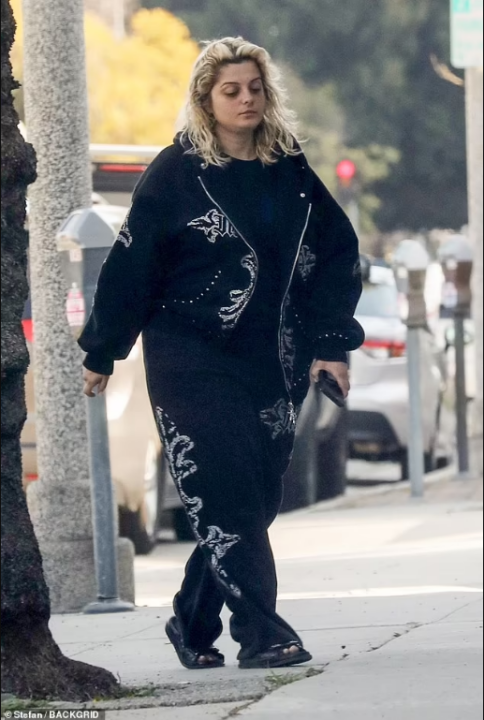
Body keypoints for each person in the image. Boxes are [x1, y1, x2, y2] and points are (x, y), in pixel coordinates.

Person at [79, 37, 365, 671]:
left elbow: (337, 254)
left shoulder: (288, 170)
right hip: (189, 356)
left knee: (254, 500)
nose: (246, 100)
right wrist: (102, 349)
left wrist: (330, 345)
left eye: (255, 88)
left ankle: (190, 619)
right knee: (227, 490)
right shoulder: (175, 173)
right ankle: (263, 634)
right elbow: (131, 267)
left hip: (273, 359)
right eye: (231, 90)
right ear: (206, 100)